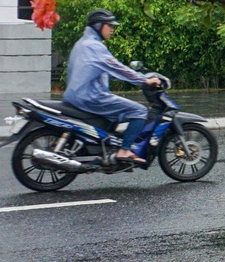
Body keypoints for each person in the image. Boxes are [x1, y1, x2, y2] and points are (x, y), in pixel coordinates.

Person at [63, 9, 163, 162]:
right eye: (109, 25)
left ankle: (107, 147)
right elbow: (117, 68)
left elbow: (101, 72)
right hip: (90, 97)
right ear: (98, 26)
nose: (112, 29)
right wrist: (144, 80)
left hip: (77, 95)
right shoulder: (94, 47)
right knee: (139, 111)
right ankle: (124, 150)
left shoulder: (81, 44)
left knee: (117, 111)